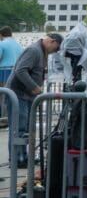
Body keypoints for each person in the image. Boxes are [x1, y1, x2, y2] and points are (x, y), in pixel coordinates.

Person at [7, 33, 63, 168]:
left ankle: (22, 157)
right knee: (19, 128)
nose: (56, 51)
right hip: (19, 94)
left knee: (25, 128)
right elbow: (21, 71)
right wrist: (34, 87)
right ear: (52, 41)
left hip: (26, 95)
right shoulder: (34, 50)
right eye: (56, 48)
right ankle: (16, 159)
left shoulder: (41, 52)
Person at [0, 27, 23, 127]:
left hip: (3, 73)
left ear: (1, 35)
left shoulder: (2, 44)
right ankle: (11, 118)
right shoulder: (19, 45)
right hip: (16, 74)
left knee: (3, 97)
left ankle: (3, 120)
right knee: (12, 97)